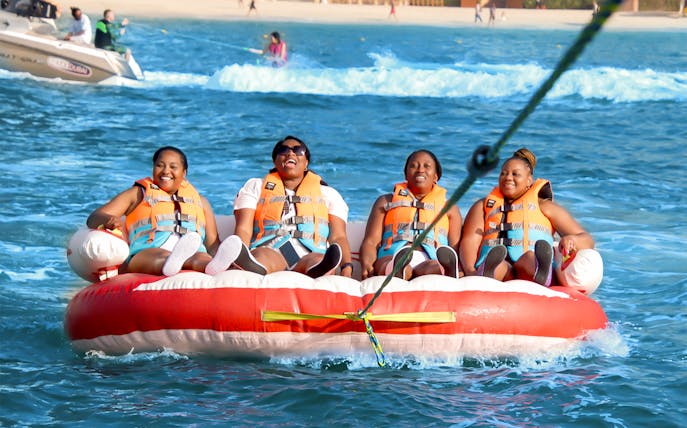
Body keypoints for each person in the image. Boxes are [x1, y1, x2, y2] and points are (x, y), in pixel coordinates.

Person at [205, 136, 353, 278]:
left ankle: (320, 269)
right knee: (261, 257)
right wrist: (239, 250)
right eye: (283, 150)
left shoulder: (329, 194)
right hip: (270, 248)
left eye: (297, 150)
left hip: (310, 251)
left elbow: (338, 236)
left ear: (306, 162)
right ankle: (250, 265)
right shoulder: (255, 187)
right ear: (275, 161)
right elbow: (243, 227)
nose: (290, 153)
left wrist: (347, 267)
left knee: (318, 259)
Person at [459, 148, 595, 286]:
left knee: (530, 258)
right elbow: (470, 240)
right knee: (498, 264)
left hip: (525, 267)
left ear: (529, 180)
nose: (508, 178)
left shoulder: (545, 206)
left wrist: (572, 240)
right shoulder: (483, 205)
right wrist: (470, 271)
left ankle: (541, 271)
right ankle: (487, 272)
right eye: (503, 173)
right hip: (501, 268)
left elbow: (587, 240)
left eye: (515, 174)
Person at [86, 146, 221, 277]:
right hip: (149, 250)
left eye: (173, 167)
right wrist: (108, 221)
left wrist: (219, 255)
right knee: (161, 257)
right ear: (153, 168)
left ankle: (213, 266)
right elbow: (94, 217)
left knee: (201, 258)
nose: (166, 171)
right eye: (160, 165)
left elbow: (212, 243)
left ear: (184, 173)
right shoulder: (138, 193)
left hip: (192, 250)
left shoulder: (200, 202)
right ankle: (172, 263)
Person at [359, 150, 462, 280]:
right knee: (387, 264)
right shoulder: (386, 201)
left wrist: (461, 268)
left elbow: (455, 246)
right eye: (414, 166)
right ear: (406, 174)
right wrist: (367, 264)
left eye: (427, 166)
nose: (420, 170)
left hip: (429, 259)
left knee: (431, 267)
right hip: (393, 255)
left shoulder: (450, 209)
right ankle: (397, 270)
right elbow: (371, 241)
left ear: (435, 177)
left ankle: (445, 270)